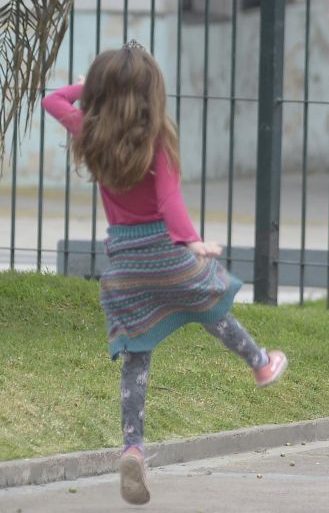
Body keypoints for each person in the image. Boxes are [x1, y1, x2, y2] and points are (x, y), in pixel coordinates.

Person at [42, 41, 288, 505]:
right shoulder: (156, 139)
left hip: (124, 264)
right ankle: (259, 364)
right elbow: (169, 201)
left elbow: (51, 100)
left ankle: (133, 447)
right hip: (166, 251)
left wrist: (93, 89)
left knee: (137, 356)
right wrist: (191, 241)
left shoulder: (87, 129)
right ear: (154, 95)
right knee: (212, 299)